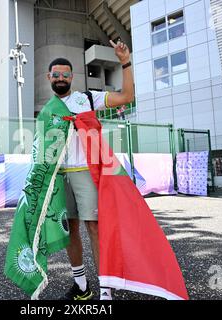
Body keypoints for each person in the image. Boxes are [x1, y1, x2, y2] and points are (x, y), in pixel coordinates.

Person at [46, 40, 134, 300]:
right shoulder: (47, 111)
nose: (61, 78)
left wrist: (125, 62)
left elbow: (127, 97)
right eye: (56, 75)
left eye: (65, 75)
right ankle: (82, 286)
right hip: (61, 176)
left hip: (86, 172)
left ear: (72, 77)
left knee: (94, 228)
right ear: (48, 78)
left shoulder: (86, 98)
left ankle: (105, 289)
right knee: (68, 230)